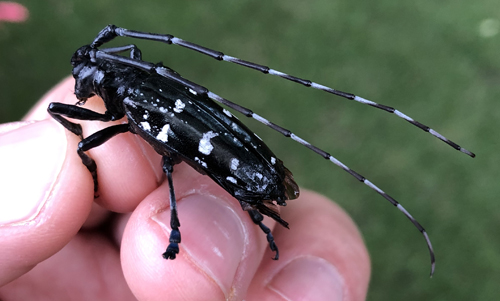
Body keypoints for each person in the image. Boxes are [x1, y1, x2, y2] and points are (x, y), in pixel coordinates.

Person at [0, 78, 370, 300]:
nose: (82, 90)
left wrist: (77, 144)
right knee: (172, 161)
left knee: (178, 159)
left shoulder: (131, 100)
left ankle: (206, 219)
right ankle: (248, 211)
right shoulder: (133, 91)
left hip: (229, 165)